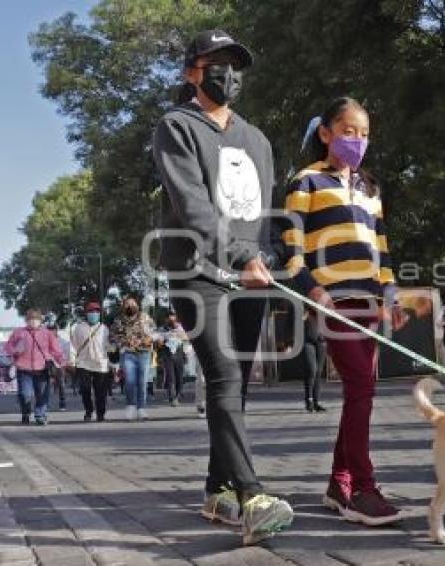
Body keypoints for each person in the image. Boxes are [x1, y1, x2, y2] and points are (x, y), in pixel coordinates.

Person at [152, 29, 294, 544]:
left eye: (236, 65)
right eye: (217, 63)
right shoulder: (175, 126)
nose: (228, 74)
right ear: (192, 70)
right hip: (198, 274)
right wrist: (240, 255)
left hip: (251, 276)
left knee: (234, 385)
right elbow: (191, 204)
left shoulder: (257, 139)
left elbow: (265, 211)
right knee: (223, 374)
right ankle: (253, 496)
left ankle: (217, 487)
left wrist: (273, 255)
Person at [280, 97, 404, 526]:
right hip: (333, 300)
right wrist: (313, 290)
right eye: (349, 130)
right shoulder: (306, 183)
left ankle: (339, 483)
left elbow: (382, 249)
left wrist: (390, 293)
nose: (357, 140)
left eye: (364, 133)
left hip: (369, 302)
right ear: (326, 133)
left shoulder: (370, 189)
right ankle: (364, 491)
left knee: (361, 389)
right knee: (361, 390)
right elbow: (291, 251)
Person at [3, 309, 66, 425]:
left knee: (42, 395)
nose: (33, 322)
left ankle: (40, 415)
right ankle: (26, 412)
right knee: (24, 394)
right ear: (26, 320)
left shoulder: (47, 333)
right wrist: (15, 351)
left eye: (36, 319)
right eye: (30, 319)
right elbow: (8, 347)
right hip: (23, 369)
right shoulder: (19, 332)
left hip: (42, 369)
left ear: (40, 321)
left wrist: (61, 360)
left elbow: (56, 349)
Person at [110, 296, 156, 421]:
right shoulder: (119, 320)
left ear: (137, 305)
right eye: (127, 304)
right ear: (123, 306)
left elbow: (153, 332)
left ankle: (141, 408)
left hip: (144, 353)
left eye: (132, 303)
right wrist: (124, 342)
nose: (130, 306)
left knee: (142, 382)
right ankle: (130, 406)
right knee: (130, 381)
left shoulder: (145, 318)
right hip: (128, 353)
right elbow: (113, 336)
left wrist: (147, 339)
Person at [70, 302, 111, 422]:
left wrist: (113, 354)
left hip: (100, 364)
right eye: (91, 311)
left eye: (96, 311)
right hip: (83, 363)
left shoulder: (104, 329)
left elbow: (108, 347)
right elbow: (73, 346)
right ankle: (88, 410)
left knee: (101, 391)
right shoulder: (78, 328)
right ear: (86, 313)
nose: (94, 313)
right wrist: (72, 361)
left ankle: (101, 413)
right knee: (85, 389)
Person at [157, 312, 188, 406]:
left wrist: (179, 334)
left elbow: (186, 338)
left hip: (179, 354)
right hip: (167, 355)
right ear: (166, 320)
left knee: (179, 377)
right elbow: (159, 344)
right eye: (169, 319)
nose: (171, 321)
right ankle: (172, 398)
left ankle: (178, 395)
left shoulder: (180, 328)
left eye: (173, 319)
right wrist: (163, 339)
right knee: (170, 377)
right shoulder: (162, 329)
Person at [302, 311, 327, 413]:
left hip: (321, 342)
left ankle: (316, 402)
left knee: (318, 372)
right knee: (312, 370)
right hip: (307, 342)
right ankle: (309, 400)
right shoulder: (304, 309)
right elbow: (293, 323)